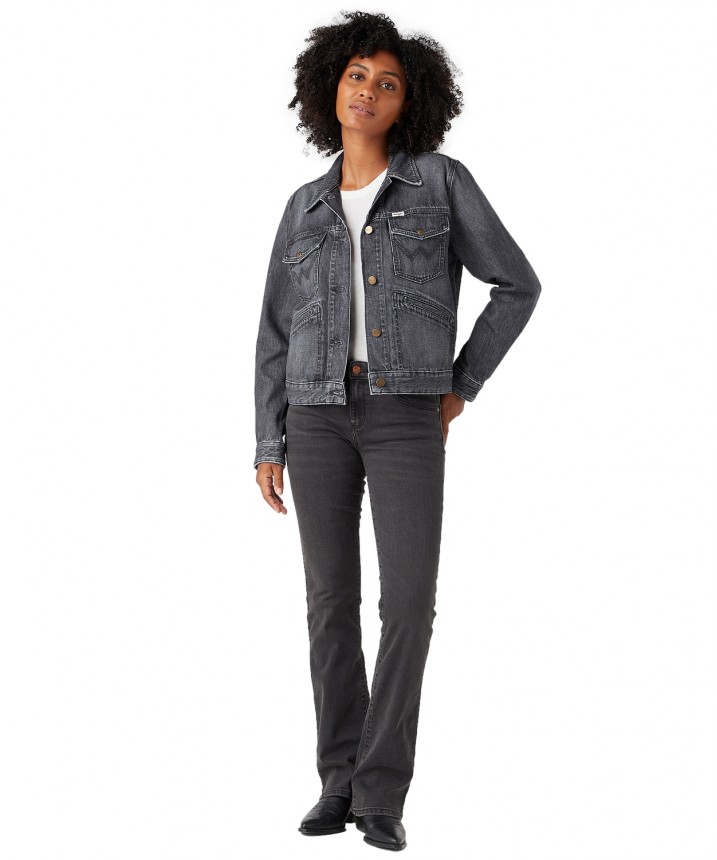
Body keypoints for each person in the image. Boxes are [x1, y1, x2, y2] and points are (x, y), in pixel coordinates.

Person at [253, 10, 541, 852]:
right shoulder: (303, 206)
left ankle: (381, 790)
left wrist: (459, 387)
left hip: (405, 415)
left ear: (409, 102)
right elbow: (274, 331)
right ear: (330, 86)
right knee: (328, 605)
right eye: (357, 76)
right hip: (313, 416)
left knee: (408, 604)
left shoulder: (440, 182)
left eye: (387, 82)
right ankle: (335, 781)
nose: (368, 91)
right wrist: (268, 440)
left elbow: (516, 285)